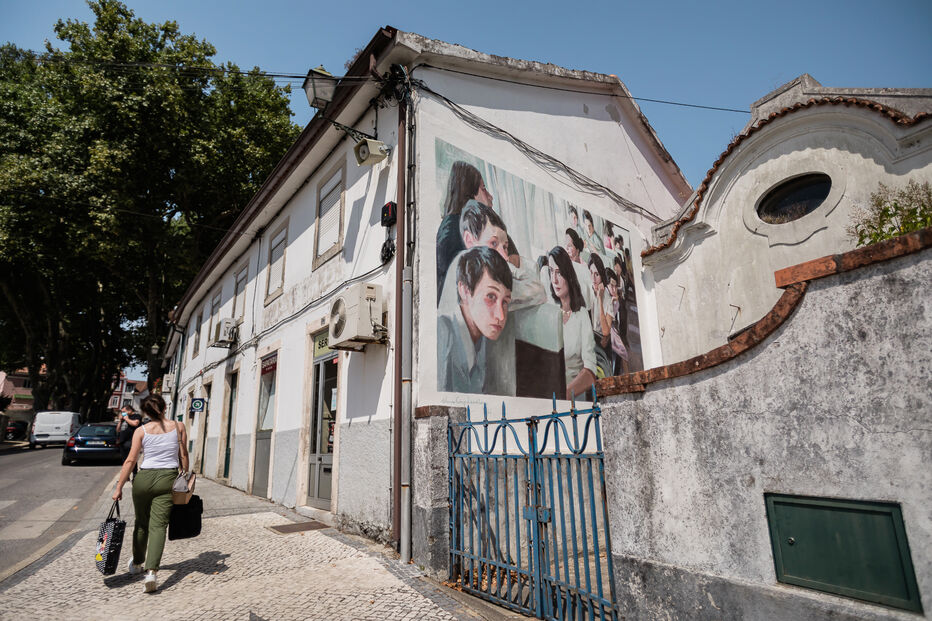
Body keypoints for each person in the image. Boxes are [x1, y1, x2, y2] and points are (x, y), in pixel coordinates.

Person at [112, 394, 189, 593]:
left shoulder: (141, 430)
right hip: (167, 479)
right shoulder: (179, 427)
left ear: (145, 412)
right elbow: (184, 455)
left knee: (141, 523)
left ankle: (137, 563)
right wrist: (184, 479)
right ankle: (152, 572)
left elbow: (130, 461)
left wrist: (119, 487)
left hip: (143, 479)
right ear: (164, 407)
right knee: (159, 526)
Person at [436, 162, 519, 301]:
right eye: (484, 189)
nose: (490, 196)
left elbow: (515, 258)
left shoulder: (492, 226)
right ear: (470, 193)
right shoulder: (451, 227)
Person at [437, 246, 513, 393]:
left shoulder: (481, 341)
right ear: (464, 291)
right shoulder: (441, 332)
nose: (501, 316)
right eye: (490, 297)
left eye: (505, 302)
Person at [546, 246, 596, 400]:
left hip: (575, 399)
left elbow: (590, 372)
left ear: (568, 275)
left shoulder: (581, 316)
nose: (554, 280)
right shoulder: (550, 315)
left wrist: (563, 395)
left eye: (559, 272)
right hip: (550, 399)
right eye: (551, 271)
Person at [587, 253, 614, 377]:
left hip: (601, 346)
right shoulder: (586, 291)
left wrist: (600, 299)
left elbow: (605, 332)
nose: (593, 278)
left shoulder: (608, 299)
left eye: (597, 274)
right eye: (591, 273)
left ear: (602, 277)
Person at [116, 405, 142, 477]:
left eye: (124, 412)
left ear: (130, 410)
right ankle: (126, 476)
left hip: (131, 440)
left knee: (132, 459)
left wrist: (127, 419)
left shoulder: (136, 416)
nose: (123, 413)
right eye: (122, 412)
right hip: (122, 441)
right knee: (124, 459)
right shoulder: (123, 418)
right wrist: (120, 421)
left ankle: (134, 474)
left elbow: (135, 423)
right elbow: (118, 430)